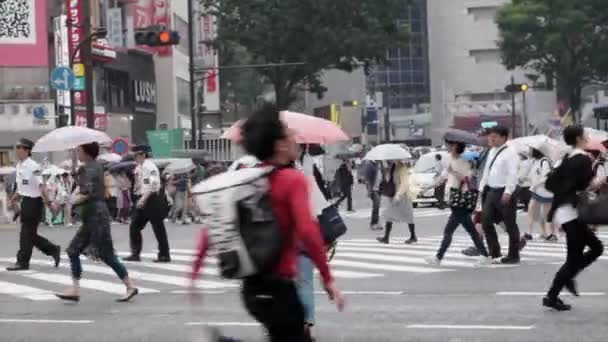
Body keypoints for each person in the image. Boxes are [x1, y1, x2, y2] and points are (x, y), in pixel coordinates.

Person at [190, 104, 344, 342]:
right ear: (280, 144)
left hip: (251, 290)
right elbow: (308, 230)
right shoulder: (293, 180)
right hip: (279, 288)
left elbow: (215, 226)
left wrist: (194, 273)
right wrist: (327, 277)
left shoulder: (244, 181)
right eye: (290, 134)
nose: (296, 139)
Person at [55, 142, 138, 302]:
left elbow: (86, 192)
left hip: (95, 215)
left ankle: (130, 285)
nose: (78, 153)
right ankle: (75, 289)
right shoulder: (97, 166)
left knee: (106, 254)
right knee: (73, 250)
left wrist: (71, 200)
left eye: (79, 151)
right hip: (95, 214)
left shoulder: (87, 168)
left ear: (86, 152)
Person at [543, 126, 604, 311]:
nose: (588, 137)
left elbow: (550, 183)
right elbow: (586, 185)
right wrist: (598, 182)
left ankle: (560, 287)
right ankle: (553, 294)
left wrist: (567, 192)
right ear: (578, 138)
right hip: (573, 212)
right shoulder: (583, 159)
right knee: (581, 254)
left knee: (592, 249)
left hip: (564, 210)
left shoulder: (566, 158)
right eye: (585, 135)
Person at [426, 141, 490, 265]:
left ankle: (438, 257)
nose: (449, 148)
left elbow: (467, 178)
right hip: (454, 199)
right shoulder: (450, 159)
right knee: (470, 230)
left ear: (456, 147)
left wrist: (453, 172)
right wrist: (430, 186)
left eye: (451, 146)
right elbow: (444, 176)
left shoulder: (464, 161)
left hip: (461, 200)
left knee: (449, 231)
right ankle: (484, 255)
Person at [6, 139, 61, 271]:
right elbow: (21, 188)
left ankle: (23, 262)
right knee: (30, 234)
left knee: (26, 233)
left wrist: (49, 204)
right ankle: (53, 249)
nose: (17, 150)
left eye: (20, 147)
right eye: (17, 147)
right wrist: (13, 199)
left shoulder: (34, 166)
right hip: (25, 201)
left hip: (34, 202)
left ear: (27, 150)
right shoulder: (20, 166)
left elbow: (41, 187)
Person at [478, 125, 522, 264]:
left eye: (495, 136)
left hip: (504, 192)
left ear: (504, 137)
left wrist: (508, 191)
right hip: (491, 190)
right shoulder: (492, 151)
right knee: (486, 222)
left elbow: (512, 174)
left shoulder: (511, 153)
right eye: (490, 136)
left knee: (510, 224)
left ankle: (514, 255)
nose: (491, 139)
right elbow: (487, 170)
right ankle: (494, 251)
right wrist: (481, 187)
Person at [124, 145, 171, 263]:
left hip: (152, 200)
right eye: (134, 156)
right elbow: (140, 183)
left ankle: (164, 255)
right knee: (134, 226)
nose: (134, 158)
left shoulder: (149, 167)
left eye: (136, 155)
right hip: (143, 199)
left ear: (143, 155)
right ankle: (135, 253)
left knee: (158, 228)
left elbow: (154, 185)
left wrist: (143, 199)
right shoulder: (139, 167)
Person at [376, 161, 417, 244]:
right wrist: (386, 171)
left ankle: (413, 236)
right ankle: (386, 237)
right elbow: (390, 180)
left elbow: (405, 184)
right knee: (389, 215)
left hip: (403, 196)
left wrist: (398, 195)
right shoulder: (393, 167)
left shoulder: (402, 169)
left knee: (408, 216)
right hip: (394, 195)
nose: (390, 160)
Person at [524, 148, 555, 241]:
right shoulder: (534, 161)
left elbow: (545, 178)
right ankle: (529, 233)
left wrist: (534, 185)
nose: (530, 152)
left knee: (545, 215)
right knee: (531, 211)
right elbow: (531, 174)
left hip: (546, 192)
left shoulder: (544, 161)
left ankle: (549, 234)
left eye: (531, 150)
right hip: (536, 191)